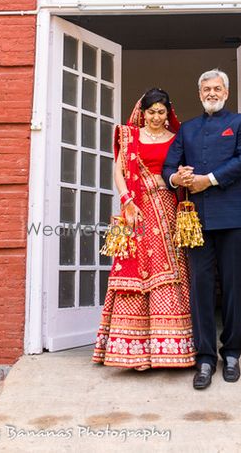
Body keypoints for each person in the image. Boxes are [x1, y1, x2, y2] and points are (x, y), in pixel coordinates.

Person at [163, 69, 241, 389]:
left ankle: (231, 353)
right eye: (206, 89)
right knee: (200, 290)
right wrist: (178, 178)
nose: (212, 93)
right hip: (196, 223)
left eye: (217, 88)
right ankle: (204, 358)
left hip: (235, 219)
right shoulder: (187, 129)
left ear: (226, 93)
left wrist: (209, 180)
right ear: (200, 93)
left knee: (234, 289)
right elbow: (168, 167)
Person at [92, 88, 196, 370]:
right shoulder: (129, 137)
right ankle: (133, 354)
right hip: (135, 211)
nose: (156, 117)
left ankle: (171, 350)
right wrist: (127, 201)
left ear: (168, 113)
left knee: (169, 273)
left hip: (167, 210)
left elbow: (181, 171)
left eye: (161, 112)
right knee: (135, 274)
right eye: (151, 112)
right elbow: (118, 171)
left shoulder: (177, 139)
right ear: (143, 112)